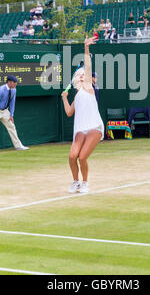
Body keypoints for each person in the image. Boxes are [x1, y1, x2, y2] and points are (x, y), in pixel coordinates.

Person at [61, 37, 104, 194]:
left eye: (83, 74)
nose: (82, 76)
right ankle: (75, 182)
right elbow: (69, 112)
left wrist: (86, 48)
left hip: (94, 127)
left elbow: (88, 65)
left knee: (82, 157)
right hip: (80, 130)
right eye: (79, 75)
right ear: (75, 80)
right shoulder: (76, 96)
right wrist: (65, 99)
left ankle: (85, 183)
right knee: (72, 157)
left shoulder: (88, 87)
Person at [0, 75, 29, 154]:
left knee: (12, 126)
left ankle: (18, 146)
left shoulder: (14, 90)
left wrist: (11, 115)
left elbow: (12, 102)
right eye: (14, 82)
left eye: (16, 82)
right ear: (9, 82)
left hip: (5, 111)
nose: (15, 84)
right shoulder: (0, 90)